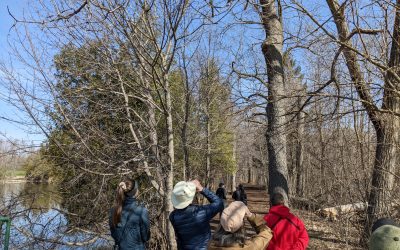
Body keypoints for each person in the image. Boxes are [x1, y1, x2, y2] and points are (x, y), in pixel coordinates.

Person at [169, 179, 223, 250]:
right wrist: (202, 189)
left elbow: (179, 238)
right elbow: (219, 203)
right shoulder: (201, 211)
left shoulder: (173, 216)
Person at [208, 201, 273, 250]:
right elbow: (266, 233)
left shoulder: (210, 245)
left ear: (220, 225)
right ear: (241, 228)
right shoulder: (250, 247)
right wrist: (250, 216)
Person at [109, 179, 150, 250]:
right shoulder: (141, 211)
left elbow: (113, 234)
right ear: (134, 192)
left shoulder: (113, 211)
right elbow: (145, 237)